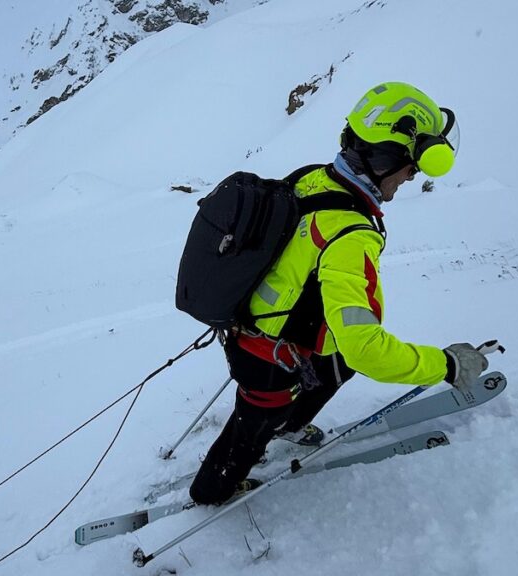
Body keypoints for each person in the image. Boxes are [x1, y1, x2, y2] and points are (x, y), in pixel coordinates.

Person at [189, 82, 489, 506]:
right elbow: (366, 347)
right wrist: (445, 366)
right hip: (267, 361)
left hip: (255, 327)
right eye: (411, 168)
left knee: (338, 364)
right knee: (250, 429)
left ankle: (288, 424)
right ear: (389, 160)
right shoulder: (350, 234)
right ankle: (212, 490)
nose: (411, 178)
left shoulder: (316, 178)